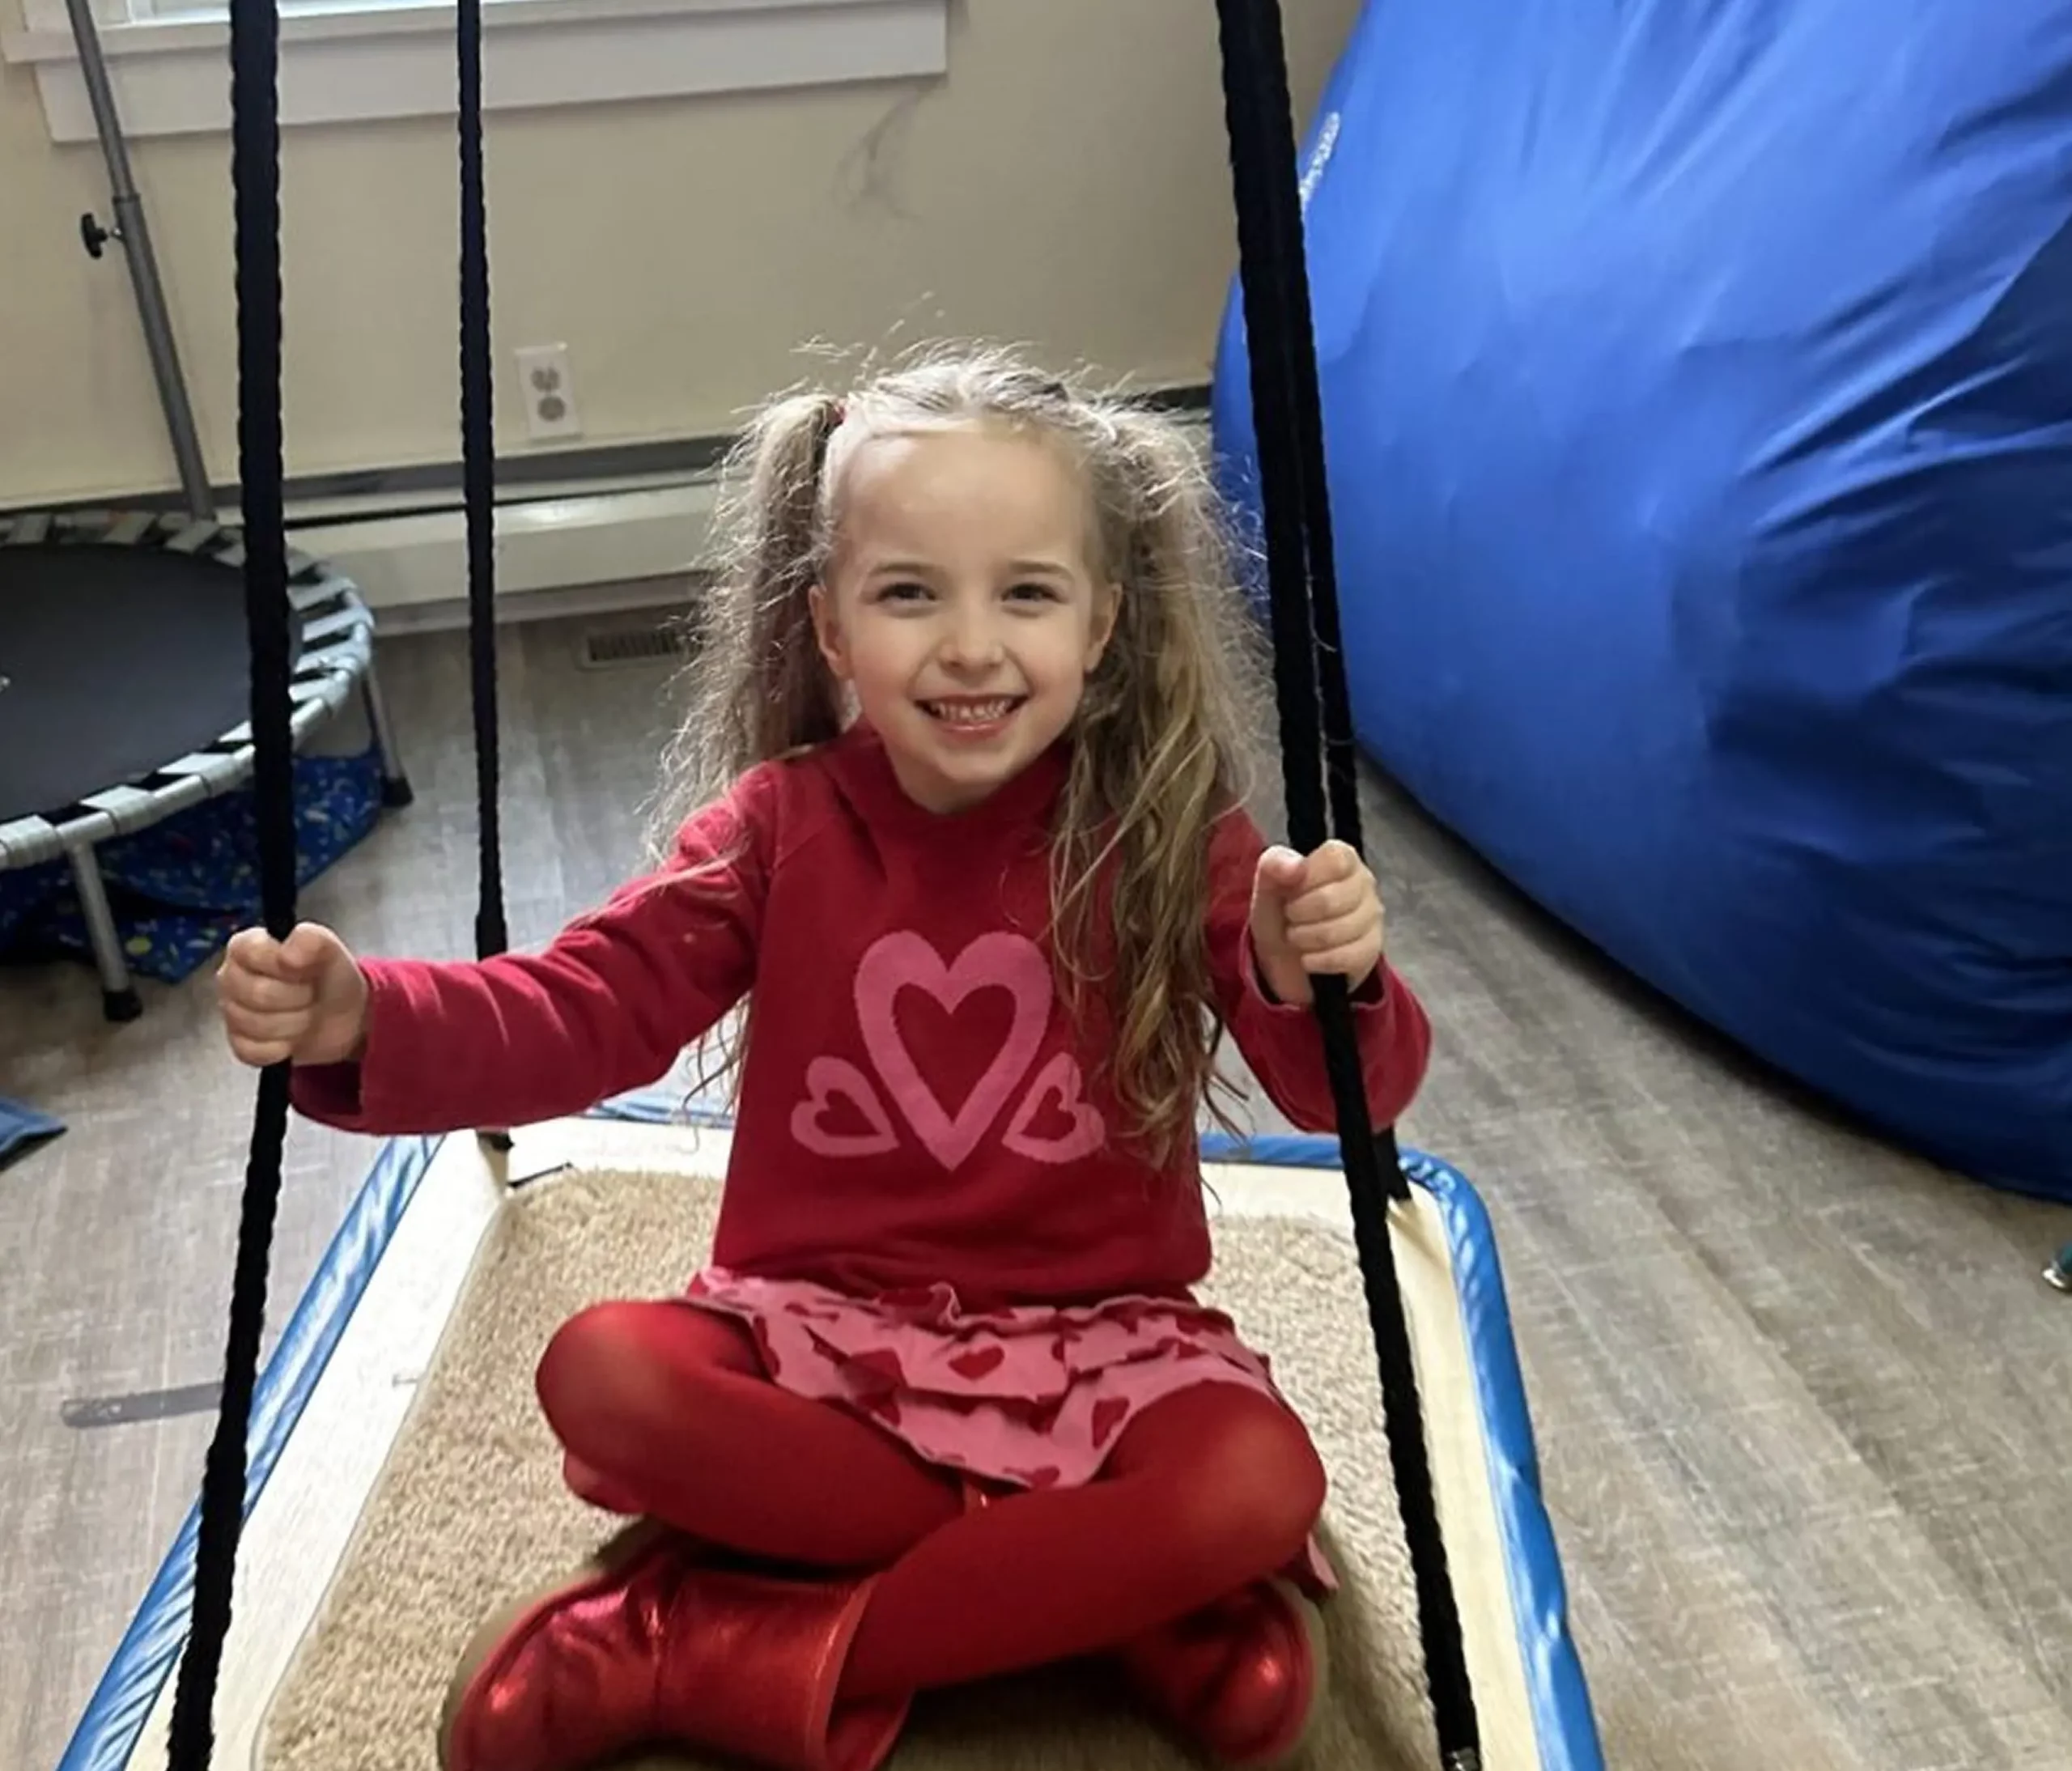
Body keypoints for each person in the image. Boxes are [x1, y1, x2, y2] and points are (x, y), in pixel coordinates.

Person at [216, 348, 1432, 1771]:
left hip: (1102, 1342)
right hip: (818, 1337)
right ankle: (1100, 1595)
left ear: (1103, 622)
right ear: (831, 629)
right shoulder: (778, 828)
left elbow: (1348, 1095)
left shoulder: (1172, 827)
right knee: (605, 1377)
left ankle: (701, 1654)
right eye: (909, 594)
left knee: (1256, 1481)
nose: (970, 647)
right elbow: (587, 1005)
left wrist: (1316, 973)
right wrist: (368, 1018)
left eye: (1027, 594)